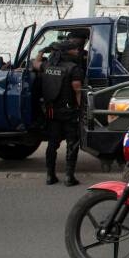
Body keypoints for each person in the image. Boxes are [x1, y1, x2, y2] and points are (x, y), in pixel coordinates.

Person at [40, 40, 85, 186]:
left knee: (52, 143)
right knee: (72, 143)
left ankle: (49, 176)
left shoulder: (47, 65)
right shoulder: (73, 68)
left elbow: (35, 63)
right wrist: (81, 109)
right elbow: (77, 90)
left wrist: (42, 51)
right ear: (67, 52)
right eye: (74, 49)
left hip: (52, 112)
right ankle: (69, 177)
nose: (78, 50)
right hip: (70, 112)